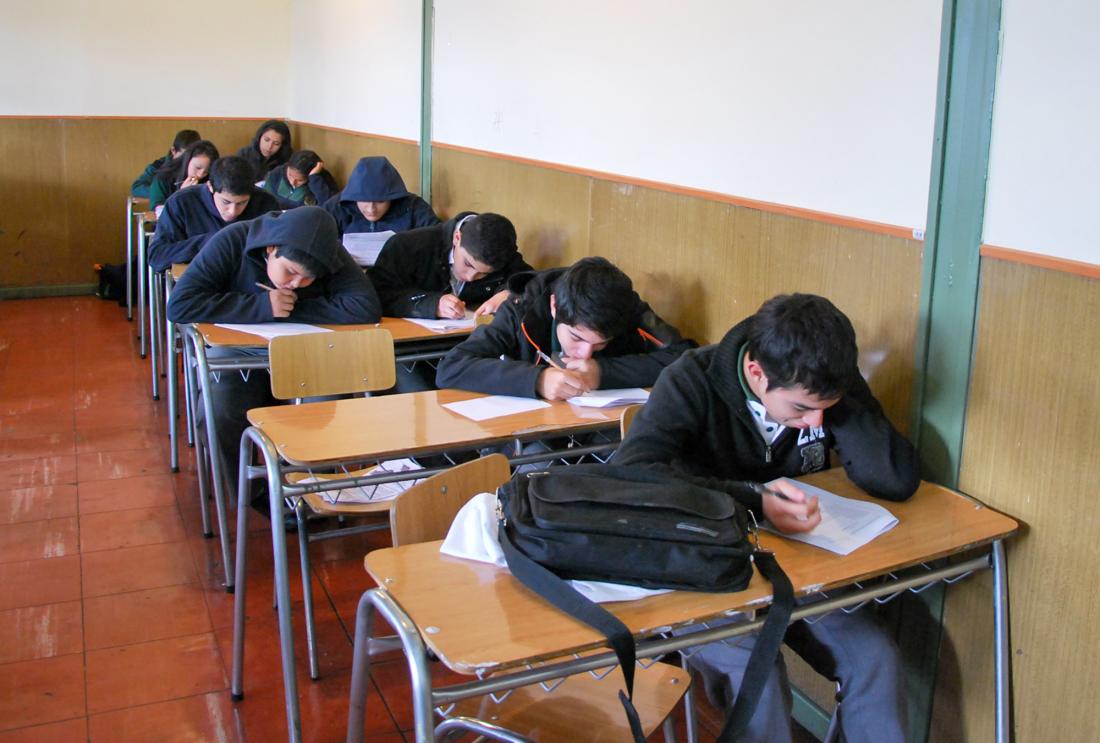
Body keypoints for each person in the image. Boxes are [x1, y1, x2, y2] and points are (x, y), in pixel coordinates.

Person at [614, 293, 921, 743]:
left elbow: (895, 479)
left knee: (876, 658)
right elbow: (631, 475)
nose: (815, 421)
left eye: (825, 409)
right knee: (757, 674)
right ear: (756, 374)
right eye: (801, 409)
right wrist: (754, 500)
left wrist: (844, 397)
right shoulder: (691, 380)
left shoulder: (819, 382)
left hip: (798, 570)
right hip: (706, 572)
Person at [166, 206, 381, 481]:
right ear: (271, 249)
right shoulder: (232, 240)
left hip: (305, 355)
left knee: (324, 408)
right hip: (238, 355)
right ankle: (248, 494)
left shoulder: (325, 251)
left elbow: (365, 307)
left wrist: (290, 308)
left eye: (307, 279)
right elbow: (180, 305)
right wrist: (261, 307)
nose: (296, 283)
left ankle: (308, 492)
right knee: (220, 411)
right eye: (290, 272)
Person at [436, 256, 695, 399]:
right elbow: (452, 367)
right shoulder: (522, 308)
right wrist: (537, 380)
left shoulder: (627, 308)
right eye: (576, 337)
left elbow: (688, 360)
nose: (585, 354)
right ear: (553, 306)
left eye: (601, 344)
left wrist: (604, 372)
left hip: (599, 434)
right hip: (529, 438)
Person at [369, 211, 529, 319]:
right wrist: (432, 304)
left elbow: (532, 281)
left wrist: (509, 293)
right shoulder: (407, 246)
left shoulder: (500, 250)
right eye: (468, 264)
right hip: (409, 349)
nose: (470, 277)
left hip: (468, 345)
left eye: (483, 274)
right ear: (457, 238)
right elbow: (377, 295)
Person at [147, 155, 281, 272]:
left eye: (242, 203)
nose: (233, 211)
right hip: (199, 284)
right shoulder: (181, 202)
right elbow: (157, 256)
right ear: (210, 186)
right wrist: (210, 242)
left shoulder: (266, 202)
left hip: (248, 283)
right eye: (226, 202)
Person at [321, 155, 438, 237]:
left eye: (380, 201)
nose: (371, 209)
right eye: (364, 201)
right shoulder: (338, 206)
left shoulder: (414, 208)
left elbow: (436, 237)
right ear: (354, 197)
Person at [147, 140, 220, 211]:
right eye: (197, 168)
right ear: (188, 160)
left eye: (206, 172)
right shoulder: (163, 177)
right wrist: (180, 194)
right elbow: (158, 211)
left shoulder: (209, 181)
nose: (200, 175)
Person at [131, 129, 200, 198]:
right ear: (173, 151)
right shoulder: (158, 166)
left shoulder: (203, 167)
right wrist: (164, 192)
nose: (188, 162)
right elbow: (136, 188)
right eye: (184, 157)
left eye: (193, 157)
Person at [263, 150, 338, 206]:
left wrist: (314, 179)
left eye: (300, 180)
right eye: (290, 175)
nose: (292, 182)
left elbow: (328, 209)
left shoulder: (322, 184)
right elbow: (265, 198)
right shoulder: (277, 173)